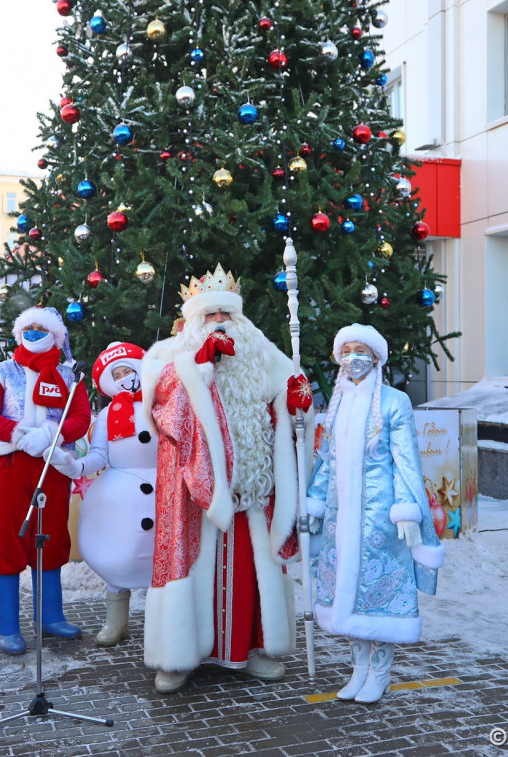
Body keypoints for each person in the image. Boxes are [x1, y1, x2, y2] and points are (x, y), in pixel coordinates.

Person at [139, 264, 311, 693]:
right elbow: (161, 412)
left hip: (253, 489)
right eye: (210, 315)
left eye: (227, 315)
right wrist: (199, 368)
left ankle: (252, 648)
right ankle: (179, 656)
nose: (220, 323)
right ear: (193, 320)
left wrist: (295, 401)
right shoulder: (167, 356)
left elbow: (290, 411)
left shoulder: (266, 355)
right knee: (193, 564)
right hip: (193, 494)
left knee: (251, 569)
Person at [305, 324, 445, 703]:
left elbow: (405, 463)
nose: (354, 358)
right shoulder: (335, 403)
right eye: (346, 350)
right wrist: (314, 503)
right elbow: (325, 462)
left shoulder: (393, 402)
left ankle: (380, 673)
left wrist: (405, 511)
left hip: (379, 520)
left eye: (361, 350)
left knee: (375, 596)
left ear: (377, 357)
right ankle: (359, 669)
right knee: (346, 598)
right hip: (339, 519)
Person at [0, 306, 91, 654]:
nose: (35, 332)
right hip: (10, 465)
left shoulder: (70, 377)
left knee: (51, 536)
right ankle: (8, 626)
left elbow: (81, 418)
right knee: (8, 540)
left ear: (56, 336)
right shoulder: (1, 372)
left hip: (52, 464)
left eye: (43, 328)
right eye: (30, 327)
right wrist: (15, 433)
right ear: (19, 332)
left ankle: (50, 616)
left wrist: (51, 436)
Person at [50, 341, 156, 646]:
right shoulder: (109, 414)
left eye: (129, 370)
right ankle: (116, 622)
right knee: (118, 554)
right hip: (121, 494)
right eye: (118, 373)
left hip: (164, 489)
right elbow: (99, 454)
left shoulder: (162, 404)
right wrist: (74, 465)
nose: (125, 377)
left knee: (162, 562)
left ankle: (160, 624)